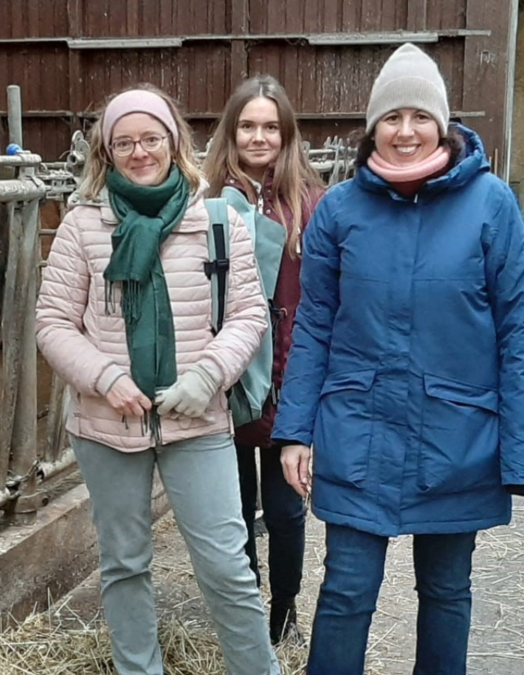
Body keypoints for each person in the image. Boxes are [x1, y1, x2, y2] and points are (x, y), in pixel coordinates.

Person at [271, 43, 524, 674]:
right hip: (356, 430)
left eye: (419, 117)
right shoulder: (340, 210)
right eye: (391, 118)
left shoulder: (490, 204)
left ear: (443, 124)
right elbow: (315, 324)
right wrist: (294, 431)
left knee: (447, 592)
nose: (405, 131)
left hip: (457, 437)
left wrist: (523, 452)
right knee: (345, 590)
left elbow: (521, 332)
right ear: (373, 126)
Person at [36, 84, 280, 675]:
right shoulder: (83, 225)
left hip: (198, 420)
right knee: (123, 563)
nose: (138, 151)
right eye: (124, 142)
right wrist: (104, 377)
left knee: (226, 562)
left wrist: (209, 375)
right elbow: (52, 322)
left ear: (174, 141)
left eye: (150, 138)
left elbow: (250, 312)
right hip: (107, 423)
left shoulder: (217, 219)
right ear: (106, 151)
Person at [203, 74, 326, 646]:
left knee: (285, 509)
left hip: (288, 376)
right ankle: (248, 609)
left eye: (270, 127)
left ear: (286, 133)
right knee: (234, 510)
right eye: (247, 126)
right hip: (227, 377)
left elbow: (324, 297)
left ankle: (285, 610)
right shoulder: (205, 201)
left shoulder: (309, 203)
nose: (258, 137)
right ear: (232, 132)